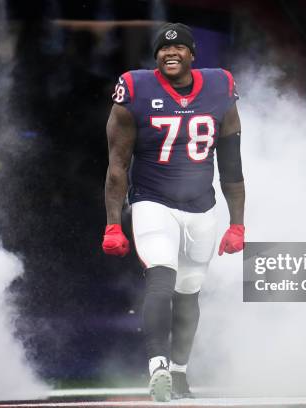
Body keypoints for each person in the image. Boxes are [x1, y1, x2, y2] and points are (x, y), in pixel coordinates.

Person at [102, 22, 245, 402]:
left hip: (202, 208)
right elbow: (117, 165)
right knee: (161, 280)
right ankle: (158, 369)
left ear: (192, 55)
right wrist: (113, 224)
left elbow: (232, 165)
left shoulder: (219, 87)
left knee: (189, 292)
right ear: (155, 57)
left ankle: (179, 372)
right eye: (164, 49)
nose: (171, 53)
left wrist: (238, 224)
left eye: (179, 47)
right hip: (153, 201)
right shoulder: (135, 89)